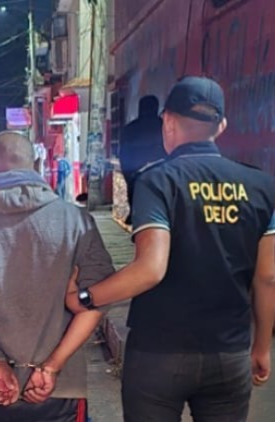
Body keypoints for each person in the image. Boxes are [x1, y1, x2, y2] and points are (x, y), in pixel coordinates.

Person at [66, 76, 275, 421]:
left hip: (158, 354)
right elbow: (267, 278)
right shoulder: (263, 186)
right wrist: (262, 347)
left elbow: (150, 269)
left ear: (168, 121)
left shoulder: (157, 180)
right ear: (221, 126)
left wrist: (86, 298)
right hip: (229, 352)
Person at [0, 131, 115, 422]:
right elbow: (99, 299)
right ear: (37, 165)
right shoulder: (77, 222)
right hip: (61, 391)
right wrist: (52, 366)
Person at [119, 95, 166, 224]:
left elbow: (123, 152)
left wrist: (127, 171)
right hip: (159, 169)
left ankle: (135, 216)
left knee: (134, 194)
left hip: (134, 170)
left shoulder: (130, 128)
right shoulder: (163, 126)